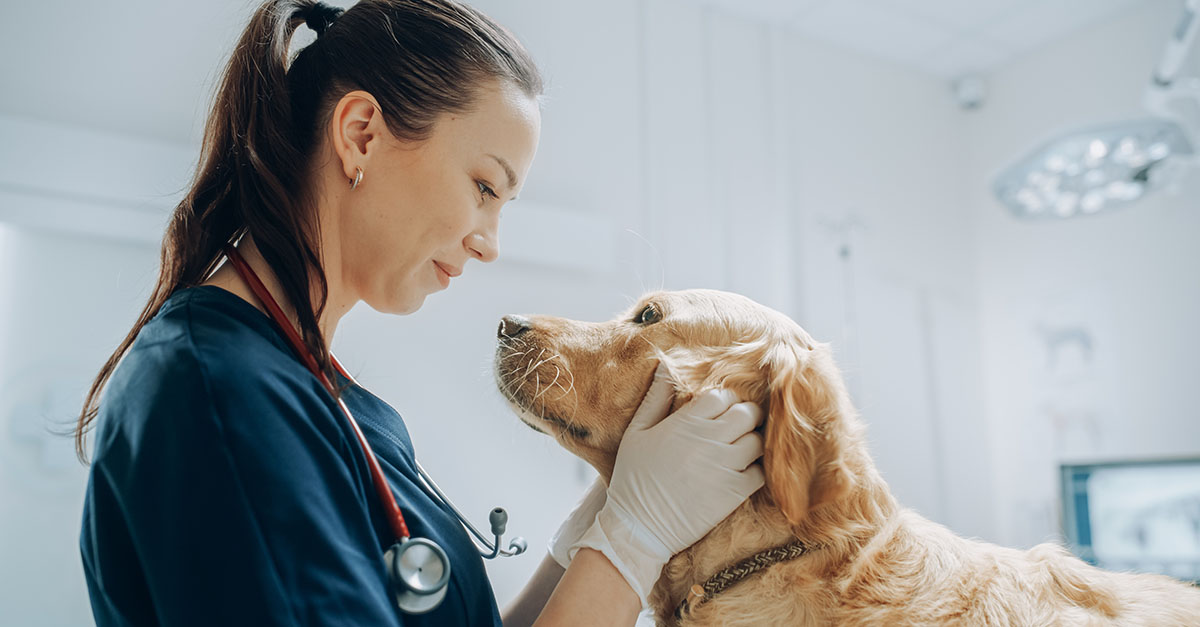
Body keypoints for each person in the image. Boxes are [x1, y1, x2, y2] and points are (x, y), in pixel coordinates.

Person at [74, 1, 765, 625]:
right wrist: (632, 541)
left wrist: (597, 528)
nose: (489, 243)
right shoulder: (218, 392)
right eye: (484, 186)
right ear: (362, 134)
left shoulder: (340, 405)